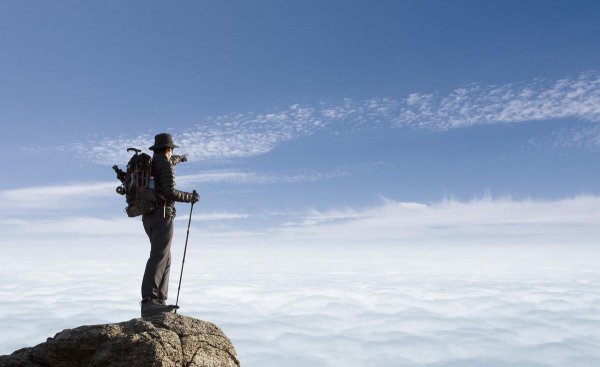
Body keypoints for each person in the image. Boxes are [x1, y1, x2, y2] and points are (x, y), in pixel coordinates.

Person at [140, 133, 199, 317]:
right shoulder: (163, 164)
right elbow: (169, 191)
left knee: (165, 256)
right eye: (172, 149)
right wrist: (190, 197)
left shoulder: (155, 163)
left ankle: (159, 300)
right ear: (168, 149)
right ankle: (150, 302)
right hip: (162, 214)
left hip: (149, 215)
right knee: (159, 256)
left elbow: (167, 166)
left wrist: (179, 159)